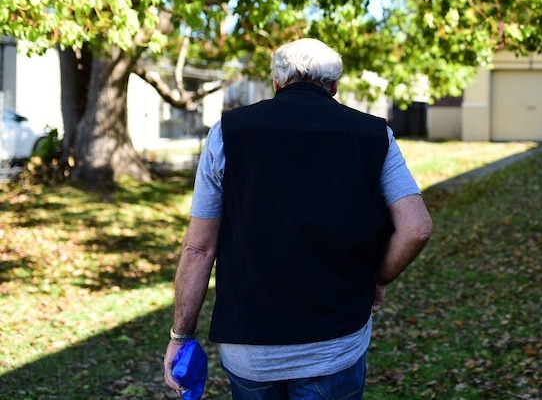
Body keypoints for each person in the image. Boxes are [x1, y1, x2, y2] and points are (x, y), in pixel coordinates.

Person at [163, 38, 433, 400]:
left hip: (251, 352)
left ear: (277, 82)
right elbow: (417, 228)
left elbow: (198, 248)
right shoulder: (374, 135)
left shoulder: (228, 134)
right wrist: (379, 279)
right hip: (336, 346)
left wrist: (181, 336)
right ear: (334, 86)